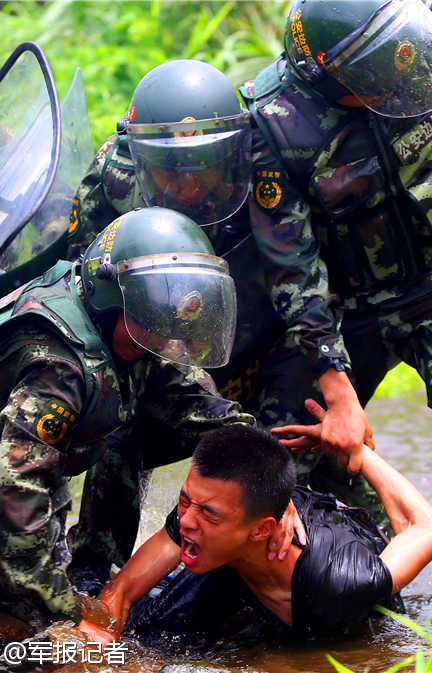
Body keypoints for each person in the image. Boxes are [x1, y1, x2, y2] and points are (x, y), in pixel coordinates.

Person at [0, 206, 311, 636]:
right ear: (116, 303)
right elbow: (19, 494)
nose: (173, 333)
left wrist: (269, 485)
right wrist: (66, 616)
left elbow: (211, 414)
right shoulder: (58, 364)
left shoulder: (140, 336)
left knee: (19, 627)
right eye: (159, 318)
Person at [241, 0, 432, 597]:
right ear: (328, 75)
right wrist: (337, 393)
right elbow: (294, 270)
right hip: (345, 309)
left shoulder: (403, 26)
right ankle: (354, 582)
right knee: (279, 447)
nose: (395, 77)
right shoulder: (274, 126)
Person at [65, 60, 292, 593]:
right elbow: (85, 275)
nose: (187, 187)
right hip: (156, 327)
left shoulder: (270, 159)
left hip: (257, 321)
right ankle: (98, 570)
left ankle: (313, 555)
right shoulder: (112, 176)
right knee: (120, 427)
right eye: (169, 171)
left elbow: (299, 264)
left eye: (202, 169)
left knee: (277, 449)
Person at [78, 413, 432, 642]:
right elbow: (121, 592)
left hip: (321, 598)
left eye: (207, 513)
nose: (186, 521)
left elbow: (429, 527)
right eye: (185, 500)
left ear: (261, 529)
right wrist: (95, 636)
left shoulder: (342, 580)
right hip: (238, 564)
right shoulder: (200, 512)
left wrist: (359, 452)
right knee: (148, 634)